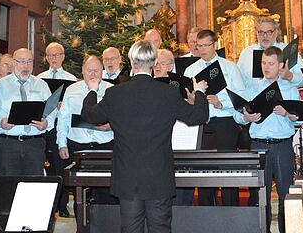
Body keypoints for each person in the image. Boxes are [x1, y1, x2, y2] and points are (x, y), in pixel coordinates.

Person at [81, 40, 209, 233]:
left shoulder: (115, 93)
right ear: (154, 63)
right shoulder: (168, 93)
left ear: (131, 62)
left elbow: (90, 116)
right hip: (159, 176)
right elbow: (199, 116)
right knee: (160, 229)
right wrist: (199, 93)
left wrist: (92, 90)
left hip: (128, 177)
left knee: (130, 229)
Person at [235, 46, 299, 233]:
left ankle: (286, 229)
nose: (266, 67)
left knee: (284, 192)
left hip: (282, 145)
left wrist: (288, 113)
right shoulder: (252, 88)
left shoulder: (290, 89)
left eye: (271, 64)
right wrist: (246, 118)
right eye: (263, 63)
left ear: (280, 65)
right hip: (258, 145)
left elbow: (300, 118)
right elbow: (237, 115)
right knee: (259, 192)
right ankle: (262, 230)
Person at [184, 29, 247, 206]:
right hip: (202, 125)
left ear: (215, 45)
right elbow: (184, 98)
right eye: (199, 46)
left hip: (224, 123)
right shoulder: (191, 69)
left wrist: (221, 102)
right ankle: (207, 217)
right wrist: (190, 100)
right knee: (204, 174)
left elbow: (241, 96)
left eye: (206, 45)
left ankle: (231, 214)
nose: (202, 49)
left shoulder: (229, 67)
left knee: (227, 172)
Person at [0, 48, 56, 175]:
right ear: (14, 63)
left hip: (34, 143)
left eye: (29, 62)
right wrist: (0, 122)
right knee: (9, 186)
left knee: (34, 186)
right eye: (22, 61)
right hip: (8, 143)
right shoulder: (1, 85)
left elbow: (52, 110)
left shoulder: (41, 85)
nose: (26, 66)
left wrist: (46, 123)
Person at [57, 55, 115, 209]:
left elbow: (123, 118)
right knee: (80, 194)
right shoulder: (72, 89)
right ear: (82, 71)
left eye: (96, 70)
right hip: (78, 146)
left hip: (105, 146)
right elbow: (63, 119)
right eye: (89, 70)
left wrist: (111, 125)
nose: (93, 74)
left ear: (102, 71)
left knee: (106, 193)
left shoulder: (112, 90)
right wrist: (61, 144)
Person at [38, 41, 77, 217]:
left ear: (63, 57)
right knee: (47, 167)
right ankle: (48, 206)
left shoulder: (71, 79)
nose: (54, 58)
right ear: (47, 58)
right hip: (44, 127)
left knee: (61, 167)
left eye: (57, 55)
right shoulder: (39, 79)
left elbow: (76, 105)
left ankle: (62, 205)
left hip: (61, 128)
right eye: (51, 55)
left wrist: (64, 105)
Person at [237, 17, 303, 87]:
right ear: (256, 33)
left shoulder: (289, 50)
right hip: (253, 96)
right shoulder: (246, 53)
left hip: (283, 96)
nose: (265, 36)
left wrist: (289, 76)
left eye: (269, 32)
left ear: (276, 33)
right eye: (261, 32)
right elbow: (238, 83)